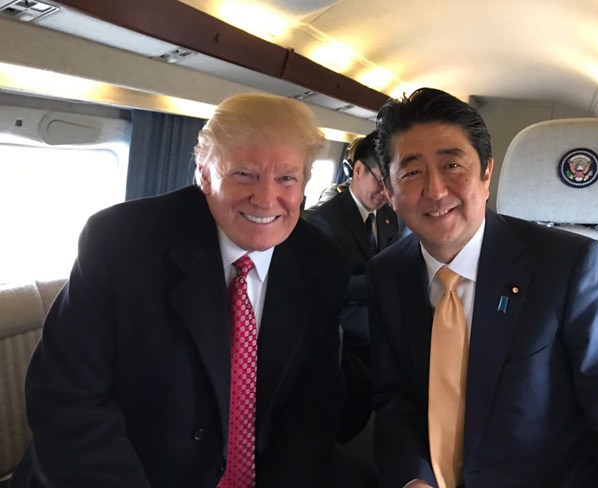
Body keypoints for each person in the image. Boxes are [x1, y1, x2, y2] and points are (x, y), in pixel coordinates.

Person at [11, 93, 349, 488]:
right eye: (244, 174)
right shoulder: (121, 242)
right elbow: (68, 400)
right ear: (204, 174)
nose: (265, 198)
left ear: (305, 182)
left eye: (286, 178)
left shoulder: (322, 262)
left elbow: (312, 406)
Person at [368, 87, 598, 488]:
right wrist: (412, 479)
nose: (435, 191)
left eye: (452, 165)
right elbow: (395, 398)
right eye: (412, 173)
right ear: (390, 193)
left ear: (486, 173)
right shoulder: (387, 273)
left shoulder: (568, 267)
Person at [308, 131, 400, 486]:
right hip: (343, 333)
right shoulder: (324, 222)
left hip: (372, 322)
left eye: (391, 185)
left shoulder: (386, 217)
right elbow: (328, 291)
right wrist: (384, 280)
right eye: (380, 181)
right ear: (357, 170)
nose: (385, 193)